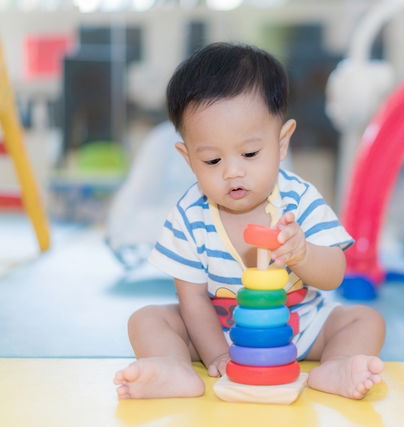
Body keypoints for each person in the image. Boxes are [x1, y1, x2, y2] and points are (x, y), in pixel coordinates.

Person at [113, 42, 385, 400]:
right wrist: (217, 355)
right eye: (212, 160)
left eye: (251, 153)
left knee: (364, 320)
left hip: (300, 330)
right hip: (219, 332)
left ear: (282, 142)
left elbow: (335, 273)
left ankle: (337, 366)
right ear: (188, 157)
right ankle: (172, 369)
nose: (233, 172)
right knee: (147, 319)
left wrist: (302, 253)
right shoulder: (189, 214)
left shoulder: (299, 199)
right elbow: (192, 298)